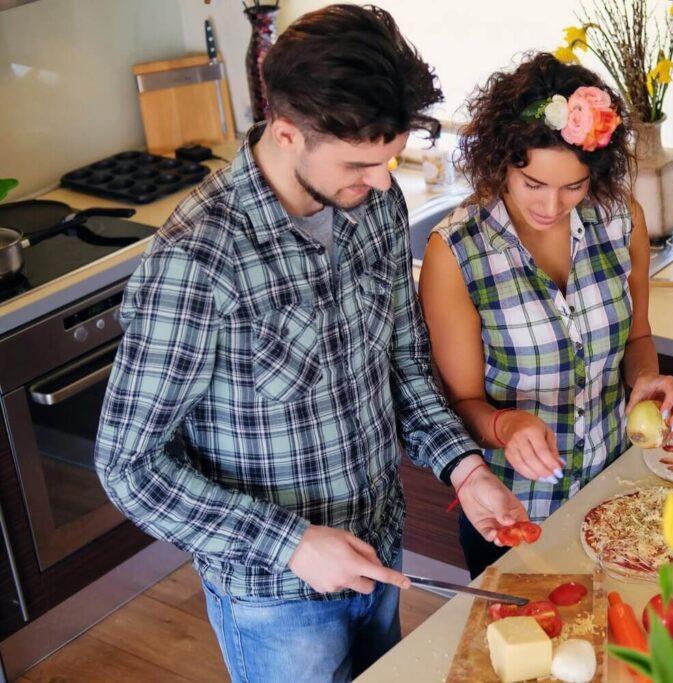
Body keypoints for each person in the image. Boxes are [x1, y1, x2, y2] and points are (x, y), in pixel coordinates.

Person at [94, 5, 526, 682]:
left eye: (388, 159)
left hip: (380, 551)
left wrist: (464, 468)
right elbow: (128, 465)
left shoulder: (374, 204)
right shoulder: (198, 259)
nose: (381, 181)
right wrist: (291, 543)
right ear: (287, 132)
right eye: (359, 163)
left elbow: (403, 362)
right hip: (277, 598)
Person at [418, 53, 673, 578]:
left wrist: (647, 381)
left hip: (615, 497)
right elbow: (461, 404)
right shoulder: (457, 252)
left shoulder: (620, 219)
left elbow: (637, 339)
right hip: (514, 514)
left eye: (573, 187)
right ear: (503, 161)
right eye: (533, 184)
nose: (551, 205)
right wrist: (506, 424)